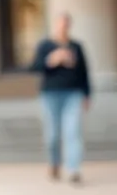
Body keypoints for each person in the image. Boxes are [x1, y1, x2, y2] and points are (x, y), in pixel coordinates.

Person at [31, 12, 91, 183]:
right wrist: (51, 60)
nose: (63, 27)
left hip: (73, 94)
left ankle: (74, 170)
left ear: (69, 26)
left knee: (73, 132)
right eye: (61, 23)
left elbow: (84, 72)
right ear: (56, 24)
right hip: (50, 95)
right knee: (52, 134)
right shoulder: (45, 45)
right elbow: (34, 67)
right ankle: (54, 163)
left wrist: (87, 94)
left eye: (67, 24)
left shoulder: (76, 47)